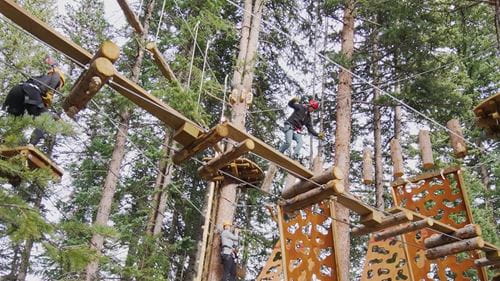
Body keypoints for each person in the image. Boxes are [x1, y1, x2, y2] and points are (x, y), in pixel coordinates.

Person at [2, 57, 65, 146]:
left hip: (16, 90)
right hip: (31, 91)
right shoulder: (57, 77)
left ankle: (5, 141)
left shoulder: (39, 78)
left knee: (16, 121)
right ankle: (31, 145)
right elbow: (53, 80)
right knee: (45, 120)